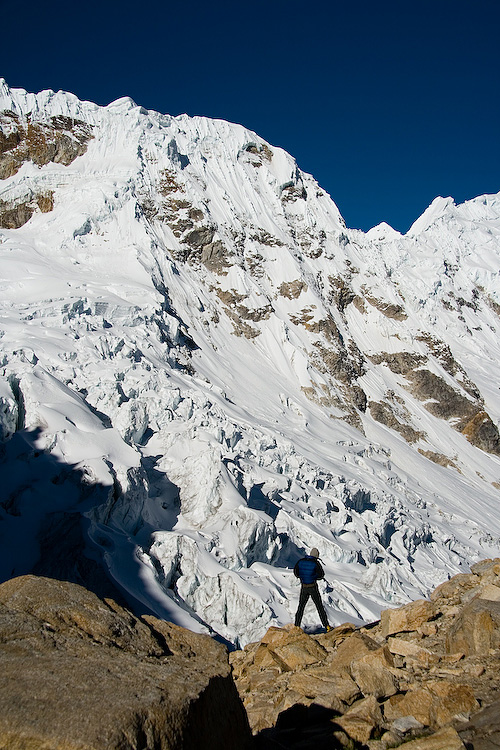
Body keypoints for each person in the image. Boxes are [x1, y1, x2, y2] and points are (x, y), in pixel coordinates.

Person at [294, 547, 331, 632]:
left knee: (301, 607)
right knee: (319, 607)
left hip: (304, 587)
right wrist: (314, 577)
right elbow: (321, 575)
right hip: (313, 587)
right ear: (316, 556)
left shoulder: (301, 561)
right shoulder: (315, 563)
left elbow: (296, 572)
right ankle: (327, 626)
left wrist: (302, 577)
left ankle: (296, 626)